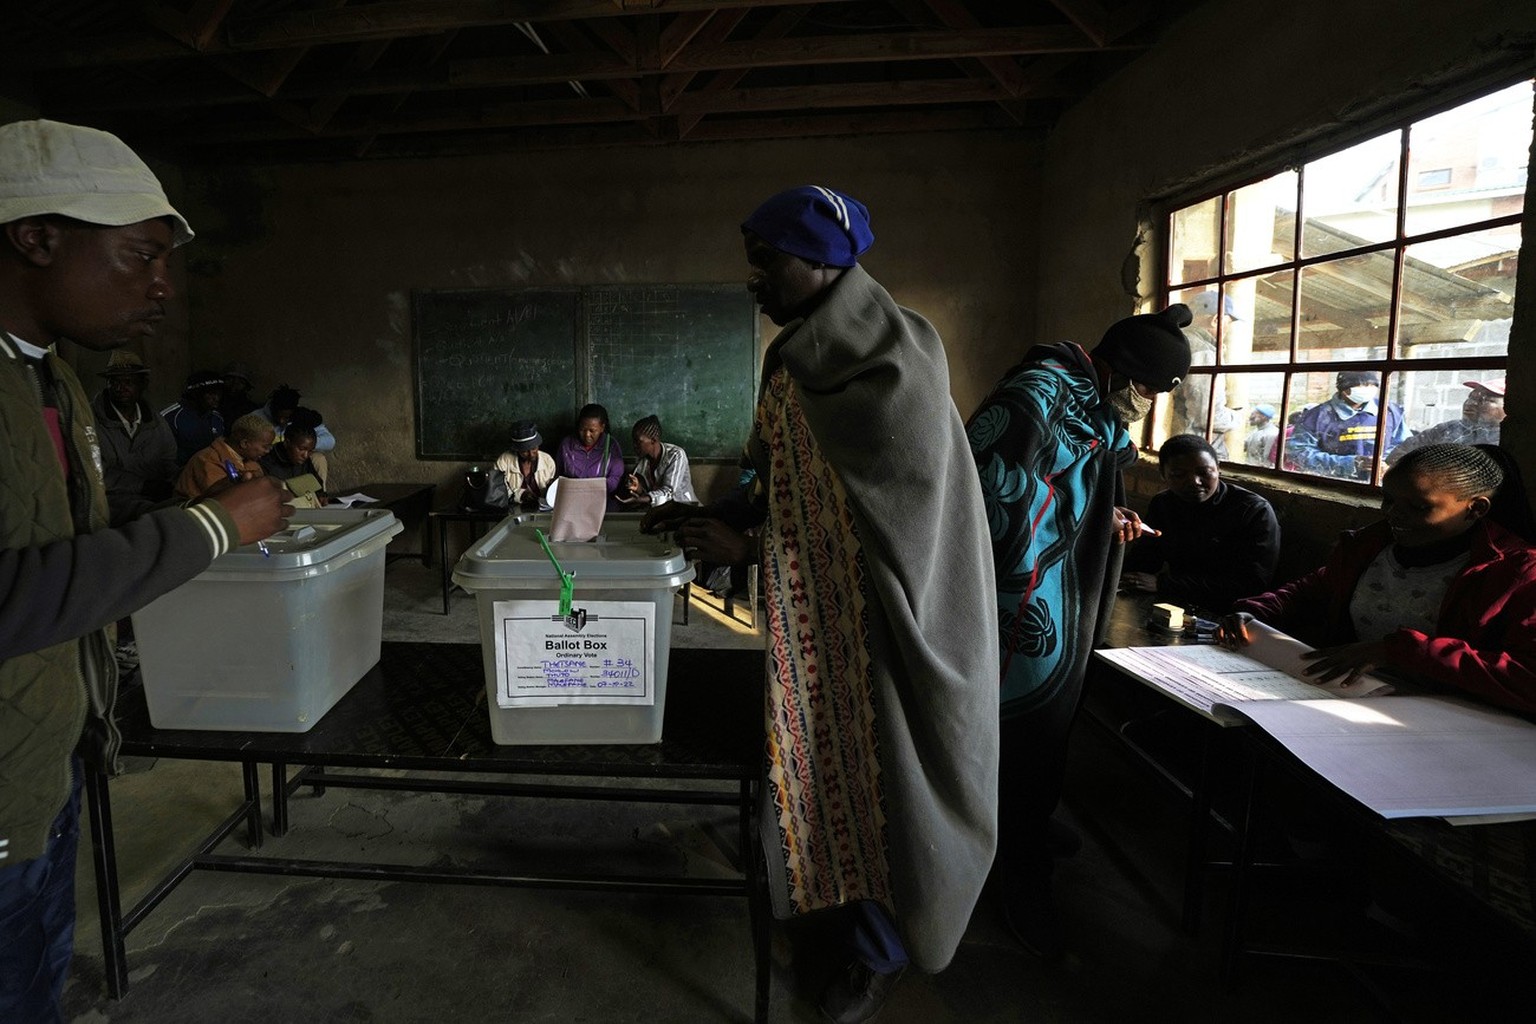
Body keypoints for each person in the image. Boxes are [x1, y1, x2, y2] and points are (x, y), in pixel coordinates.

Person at [643, 185, 998, 1024]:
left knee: (888, 788)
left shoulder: (899, 363)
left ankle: (879, 950)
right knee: (814, 774)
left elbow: (900, 532)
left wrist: (756, 552)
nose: (755, 281)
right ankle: (823, 904)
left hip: (888, 626)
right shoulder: (792, 357)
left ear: (824, 263)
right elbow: (785, 478)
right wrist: (721, 515)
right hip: (815, 630)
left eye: (768, 263)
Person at [0, 118, 290, 1024]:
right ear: (37, 237)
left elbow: (70, 545)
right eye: (141, 258)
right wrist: (204, 529)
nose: (164, 289)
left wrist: (185, 523)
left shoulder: (52, 381)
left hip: (41, 772)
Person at [967, 301, 1192, 957]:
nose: (1146, 403)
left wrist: (1102, 513)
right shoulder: (1039, 392)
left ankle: (1029, 822)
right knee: (1021, 726)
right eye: (1146, 389)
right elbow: (989, 488)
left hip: (1063, 591)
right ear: (1118, 370)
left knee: (1051, 722)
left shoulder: (1091, 397)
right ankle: (1014, 859)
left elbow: (1093, 465)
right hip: (1024, 598)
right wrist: (1072, 516)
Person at [1220, 443, 1536, 712]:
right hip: (1354, 700)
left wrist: (1401, 652)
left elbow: (1526, 678)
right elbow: (1310, 589)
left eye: (1418, 507)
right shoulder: (1370, 547)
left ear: (1476, 508)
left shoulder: (1514, 573)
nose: (1393, 514)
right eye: (1389, 499)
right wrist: (1254, 612)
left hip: (1449, 719)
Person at [1121, 434, 1281, 613]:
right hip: (1176, 603)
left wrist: (1164, 584)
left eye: (1204, 472)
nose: (1194, 482)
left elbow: (1252, 585)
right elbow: (1146, 558)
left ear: (1218, 469)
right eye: (1179, 475)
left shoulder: (1253, 511)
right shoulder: (1164, 504)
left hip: (1230, 612)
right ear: (1163, 475)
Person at [90, 350, 179, 526]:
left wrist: (176, 481)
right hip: (109, 502)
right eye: (114, 382)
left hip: (153, 499)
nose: (120, 388)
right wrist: (143, 485)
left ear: (143, 384)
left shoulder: (155, 421)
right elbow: (93, 472)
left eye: (128, 382)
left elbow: (168, 459)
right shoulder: (89, 420)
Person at [1285, 370, 1407, 480]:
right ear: (1344, 389)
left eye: (1372, 385)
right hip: (1332, 483)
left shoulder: (1390, 412)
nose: (1368, 389)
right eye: (1362, 385)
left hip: (1381, 482)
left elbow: (1405, 446)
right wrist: (1349, 464)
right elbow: (1297, 452)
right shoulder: (1316, 416)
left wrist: (1389, 466)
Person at [1386, 380, 1505, 463]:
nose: (1471, 403)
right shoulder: (1448, 429)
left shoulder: (1509, 440)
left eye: (1486, 400)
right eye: (1471, 397)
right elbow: (1400, 453)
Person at [175, 412, 275, 499]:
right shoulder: (208, 460)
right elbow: (223, 499)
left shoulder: (251, 461)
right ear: (244, 443)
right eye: (265, 447)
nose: (268, 451)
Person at [556, 402, 625, 508]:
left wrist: (592, 488)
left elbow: (615, 478)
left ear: (602, 427)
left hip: (602, 504)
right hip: (571, 503)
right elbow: (558, 474)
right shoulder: (567, 445)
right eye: (582, 430)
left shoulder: (611, 446)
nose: (587, 435)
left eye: (592, 431)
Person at [621, 415, 697, 507]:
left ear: (653, 440)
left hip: (684, 509)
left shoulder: (676, 455)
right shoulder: (643, 461)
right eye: (633, 441)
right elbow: (652, 495)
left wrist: (642, 499)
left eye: (638, 442)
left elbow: (669, 493)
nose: (634, 446)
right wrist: (639, 489)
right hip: (661, 511)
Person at [486, 419, 556, 510]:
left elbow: (552, 493)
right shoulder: (504, 461)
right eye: (525, 451)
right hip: (510, 509)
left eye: (534, 448)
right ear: (517, 450)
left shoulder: (548, 461)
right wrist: (521, 494)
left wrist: (550, 488)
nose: (531, 454)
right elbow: (497, 491)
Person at [161, 368, 226, 465]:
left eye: (219, 394)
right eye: (210, 393)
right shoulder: (171, 417)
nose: (216, 398)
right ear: (197, 394)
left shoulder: (216, 418)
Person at [259, 420, 328, 507]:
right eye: (301, 449)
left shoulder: (303, 460)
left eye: (310, 450)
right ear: (287, 443)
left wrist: (321, 494)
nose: (305, 455)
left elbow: (315, 481)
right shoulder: (268, 461)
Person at [257, 384, 336, 453]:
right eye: (278, 416)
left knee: (318, 459)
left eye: (286, 418)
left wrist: (302, 444)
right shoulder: (256, 418)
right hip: (270, 460)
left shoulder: (302, 417)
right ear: (272, 408)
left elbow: (330, 441)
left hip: (296, 460)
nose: (281, 421)